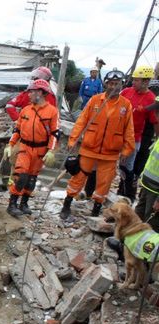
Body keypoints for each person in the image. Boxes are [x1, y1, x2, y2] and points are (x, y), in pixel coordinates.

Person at [60, 69, 135, 220]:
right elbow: (81, 121)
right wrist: (73, 140)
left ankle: (95, 210)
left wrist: (127, 151)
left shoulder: (125, 105)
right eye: (111, 84)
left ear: (122, 85)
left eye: (117, 84)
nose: (114, 87)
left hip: (110, 153)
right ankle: (66, 205)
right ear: (106, 84)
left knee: (104, 183)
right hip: (89, 149)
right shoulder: (95, 101)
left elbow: (129, 130)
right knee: (78, 177)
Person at [4, 79, 59, 217]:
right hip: (25, 147)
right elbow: (17, 130)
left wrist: (51, 151)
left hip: (40, 150)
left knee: (32, 179)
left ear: (40, 93)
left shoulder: (52, 112)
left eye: (32, 92)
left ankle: (24, 203)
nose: (28, 95)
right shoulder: (25, 110)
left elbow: (55, 133)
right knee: (21, 175)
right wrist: (10, 145)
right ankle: (12, 204)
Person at [117, 65, 159, 201]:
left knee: (127, 167)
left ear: (146, 82)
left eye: (137, 80)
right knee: (117, 165)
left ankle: (128, 195)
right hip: (117, 135)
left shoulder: (151, 98)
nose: (133, 82)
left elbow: (155, 121)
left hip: (134, 137)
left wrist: (157, 138)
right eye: (134, 80)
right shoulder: (126, 92)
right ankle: (120, 191)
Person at [135, 138, 159, 232]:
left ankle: (145, 246)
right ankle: (128, 242)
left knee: (151, 224)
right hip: (146, 185)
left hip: (155, 191)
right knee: (137, 216)